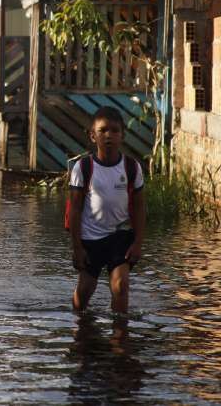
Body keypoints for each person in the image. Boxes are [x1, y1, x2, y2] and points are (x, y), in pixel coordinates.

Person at [68, 106, 146, 314]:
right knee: (85, 291)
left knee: (120, 285)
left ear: (122, 135)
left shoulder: (132, 167)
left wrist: (138, 243)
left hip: (120, 237)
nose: (109, 135)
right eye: (102, 130)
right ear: (92, 136)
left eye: (114, 130)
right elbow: (75, 209)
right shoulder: (83, 167)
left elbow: (139, 206)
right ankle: (79, 324)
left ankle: (120, 330)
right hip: (90, 239)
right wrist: (77, 248)